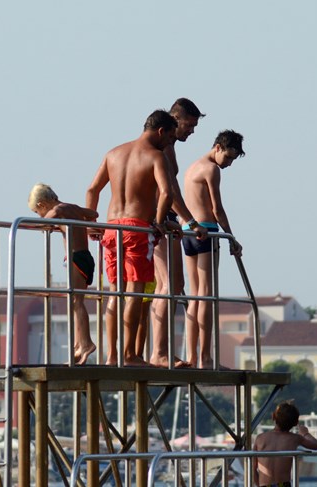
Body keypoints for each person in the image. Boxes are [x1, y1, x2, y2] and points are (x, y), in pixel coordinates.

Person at [85, 110, 178, 367]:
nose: (171, 142)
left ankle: (111, 356)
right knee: (136, 292)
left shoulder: (114, 153)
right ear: (160, 131)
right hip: (137, 228)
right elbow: (167, 193)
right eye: (170, 136)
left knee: (115, 293)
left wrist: (91, 224)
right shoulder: (156, 156)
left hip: (111, 227)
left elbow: (93, 189)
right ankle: (129, 355)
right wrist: (159, 223)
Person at [149, 98, 208, 368]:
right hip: (160, 218)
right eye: (190, 125)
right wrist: (190, 221)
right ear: (176, 119)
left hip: (170, 218)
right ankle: (159, 353)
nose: (191, 132)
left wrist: (184, 219)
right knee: (168, 286)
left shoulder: (168, 145)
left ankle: (161, 351)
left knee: (175, 287)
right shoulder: (162, 145)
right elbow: (168, 190)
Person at [181, 130, 245, 368]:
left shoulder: (191, 168)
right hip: (205, 230)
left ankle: (191, 356)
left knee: (195, 294)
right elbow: (217, 209)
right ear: (217, 147)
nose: (227, 164)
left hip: (188, 231)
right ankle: (205, 358)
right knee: (206, 294)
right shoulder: (211, 169)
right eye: (227, 157)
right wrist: (231, 236)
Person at [27, 183, 99, 365]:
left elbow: (42, 223)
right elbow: (93, 214)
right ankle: (78, 344)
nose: (39, 214)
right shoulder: (71, 207)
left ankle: (86, 343)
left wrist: (26, 224)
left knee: (76, 302)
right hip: (85, 256)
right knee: (75, 301)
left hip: (76, 257)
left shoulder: (58, 210)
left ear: (42, 204)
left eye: (37, 211)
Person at [252, 401, 317, 487]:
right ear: (296, 423)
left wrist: (259, 485)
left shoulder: (260, 438)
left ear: (273, 416)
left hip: (264, 485)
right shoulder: (294, 438)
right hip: (283, 484)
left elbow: (252, 467)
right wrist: (305, 433)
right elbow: (316, 445)